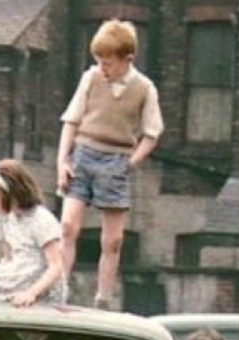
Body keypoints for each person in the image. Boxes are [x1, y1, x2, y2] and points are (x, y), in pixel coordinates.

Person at [57, 19, 163, 310]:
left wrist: (131, 163)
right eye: (99, 62)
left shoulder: (144, 88)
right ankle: (61, 288)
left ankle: (103, 298)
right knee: (67, 226)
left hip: (116, 160)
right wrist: (61, 161)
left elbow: (152, 133)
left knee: (113, 240)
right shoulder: (90, 79)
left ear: (127, 59)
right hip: (83, 154)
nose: (103, 68)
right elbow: (71, 120)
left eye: (108, 63)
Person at [0, 159, 67, 306]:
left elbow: (56, 266)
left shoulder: (41, 219)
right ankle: (3, 302)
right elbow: (7, 258)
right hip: (17, 275)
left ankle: (8, 302)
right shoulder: (5, 217)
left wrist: (31, 293)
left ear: (12, 194)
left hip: (37, 281)